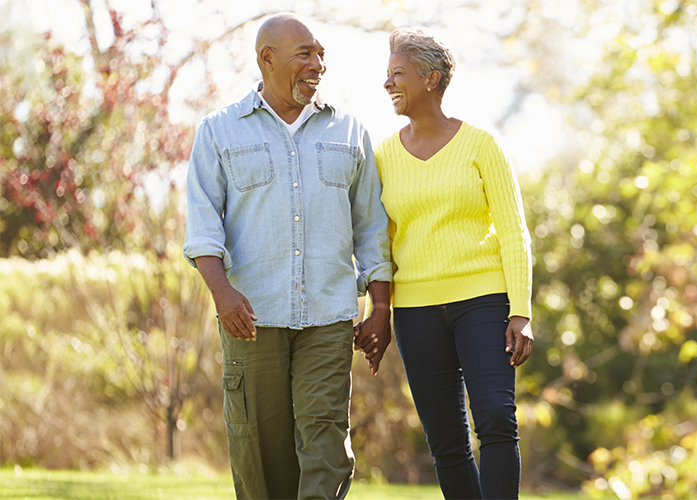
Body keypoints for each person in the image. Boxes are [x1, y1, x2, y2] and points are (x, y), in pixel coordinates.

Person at [182, 13, 392, 500]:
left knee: (325, 444)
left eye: (321, 54)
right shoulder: (219, 131)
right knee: (261, 453)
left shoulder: (350, 130)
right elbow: (202, 223)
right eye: (306, 54)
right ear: (267, 58)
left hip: (329, 318)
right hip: (251, 317)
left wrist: (380, 309)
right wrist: (222, 293)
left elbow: (371, 229)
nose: (318, 64)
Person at [356, 26, 534, 500]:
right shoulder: (382, 157)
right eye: (386, 74)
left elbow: (514, 231)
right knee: (447, 441)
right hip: (416, 312)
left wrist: (521, 311)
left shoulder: (481, 145)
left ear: (431, 78)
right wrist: (379, 310)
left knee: (496, 416)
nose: (388, 83)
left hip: (483, 300)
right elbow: (379, 241)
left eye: (397, 73)